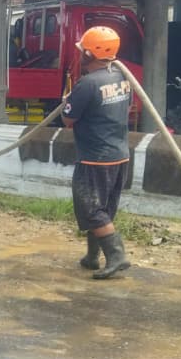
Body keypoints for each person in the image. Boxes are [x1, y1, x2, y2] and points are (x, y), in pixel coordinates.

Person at [61, 26, 133, 280]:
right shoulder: (123, 77)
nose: (80, 54)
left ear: (90, 54)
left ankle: (116, 256)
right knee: (103, 208)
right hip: (120, 155)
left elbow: (68, 120)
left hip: (95, 158)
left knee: (91, 209)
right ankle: (92, 257)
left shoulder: (88, 84)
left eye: (83, 50)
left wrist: (66, 101)